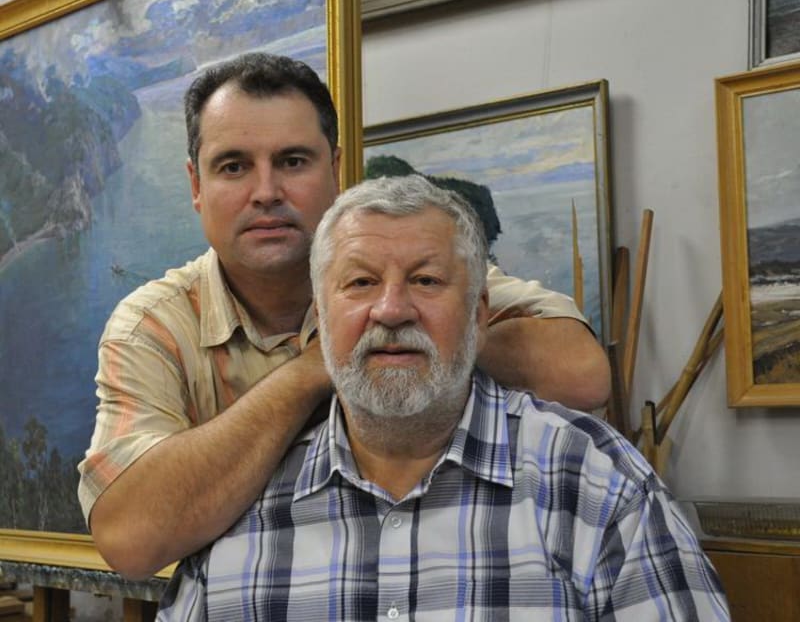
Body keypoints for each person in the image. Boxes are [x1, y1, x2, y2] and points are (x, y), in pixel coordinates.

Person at [78, 52, 611, 580]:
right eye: (233, 166)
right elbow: (129, 541)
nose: (266, 193)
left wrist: (423, 332)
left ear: (335, 171)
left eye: (293, 162)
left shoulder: (410, 271)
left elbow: (583, 375)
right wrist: (321, 364)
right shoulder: (152, 327)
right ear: (196, 185)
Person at [156, 174, 729, 621]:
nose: (391, 310)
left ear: (479, 316)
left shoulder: (596, 484)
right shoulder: (244, 504)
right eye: (360, 283)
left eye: (426, 280)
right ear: (321, 320)